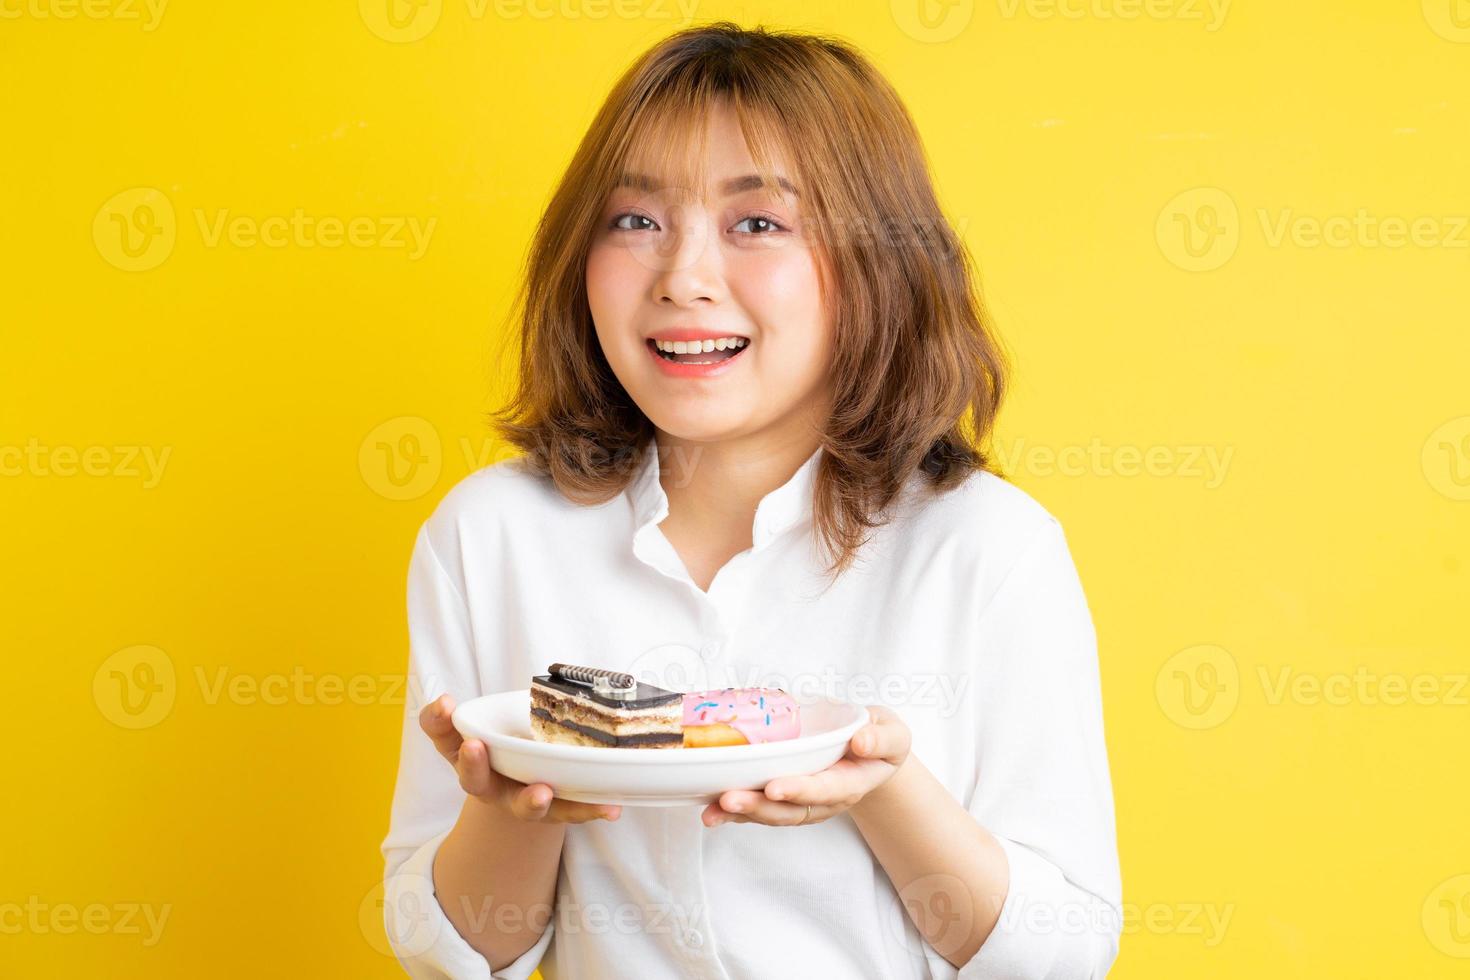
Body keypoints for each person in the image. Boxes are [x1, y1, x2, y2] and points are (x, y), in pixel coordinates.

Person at [380, 21, 1120, 980]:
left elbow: (1060, 957)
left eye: (757, 223)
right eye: (635, 220)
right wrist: (511, 799)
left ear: (876, 262)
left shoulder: (987, 548)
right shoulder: (489, 536)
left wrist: (882, 788)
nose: (683, 278)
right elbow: (452, 951)